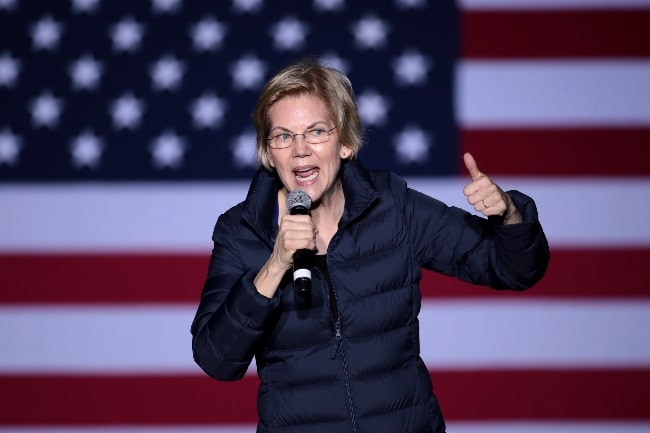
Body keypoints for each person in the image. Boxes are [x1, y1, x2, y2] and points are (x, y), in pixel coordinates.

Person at [190, 58, 550, 433]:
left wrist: (508, 215)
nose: (300, 150)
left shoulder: (392, 206)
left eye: (315, 132)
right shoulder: (241, 231)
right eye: (283, 136)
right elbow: (217, 359)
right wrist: (275, 265)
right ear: (268, 152)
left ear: (345, 143)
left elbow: (516, 270)